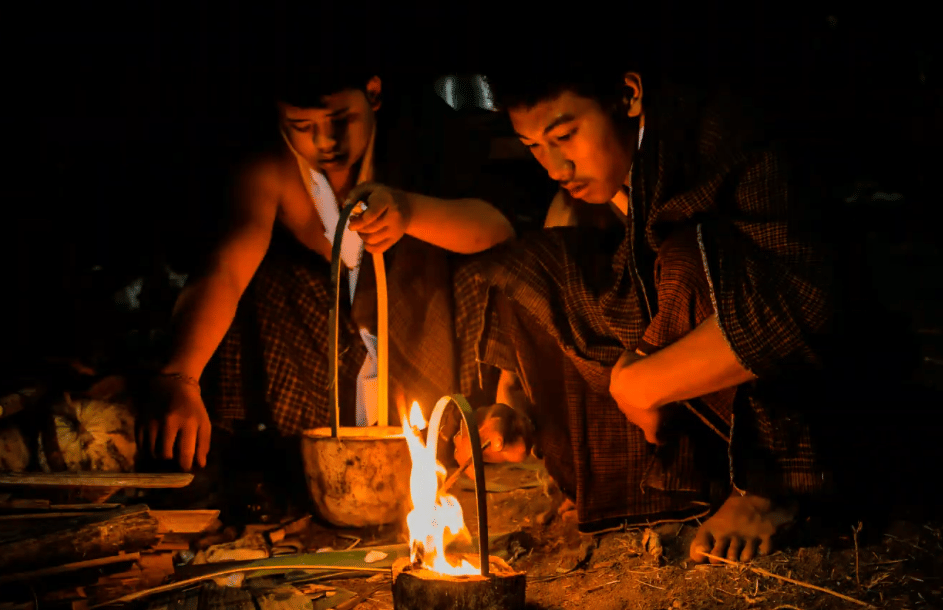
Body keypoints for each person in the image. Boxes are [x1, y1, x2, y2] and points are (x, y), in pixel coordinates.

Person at [453, 55, 846, 565]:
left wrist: (641, 379)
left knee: (688, 257)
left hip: (813, 382)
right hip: (669, 397)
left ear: (629, 94)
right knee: (533, 266)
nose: (555, 167)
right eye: (534, 147)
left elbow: (807, 300)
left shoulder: (723, 136)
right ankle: (653, 488)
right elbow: (555, 291)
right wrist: (516, 406)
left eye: (565, 135)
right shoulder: (586, 191)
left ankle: (767, 488)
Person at [144, 57, 515, 477]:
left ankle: (463, 444)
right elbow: (225, 269)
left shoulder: (420, 143)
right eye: (302, 126)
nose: (326, 141)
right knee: (262, 281)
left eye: (341, 119)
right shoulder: (271, 170)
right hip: (318, 359)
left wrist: (410, 212)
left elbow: (497, 230)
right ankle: (284, 469)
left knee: (481, 274)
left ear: (373, 94)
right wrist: (180, 377)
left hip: (423, 325)